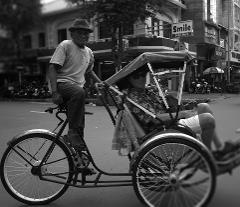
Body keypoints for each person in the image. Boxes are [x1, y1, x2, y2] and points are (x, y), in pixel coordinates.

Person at [116, 67, 239, 161]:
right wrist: (183, 113)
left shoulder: (146, 91)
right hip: (161, 128)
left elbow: (167, 104)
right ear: (129, 79)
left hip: (169, 120)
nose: (142, 78)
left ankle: (219, 147)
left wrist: (189, 105)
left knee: (203, 106)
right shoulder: (133, 96)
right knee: (207, 119)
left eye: (143, 75)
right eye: (137, 76)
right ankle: (207, 157)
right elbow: (154, 118)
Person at [48, 18, 98, 151]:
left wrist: (101, 83)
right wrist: (54, 92)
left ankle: (79, 157)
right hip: (63, 84)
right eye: (80, 32)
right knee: (79, 92)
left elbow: (89, 71)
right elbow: (52, 68)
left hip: (77, 90)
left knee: (80, 123)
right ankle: (72, 133)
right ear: (72, 34)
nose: (83, 35)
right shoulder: (66, 45)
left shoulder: (89, 52)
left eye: (86, 33)